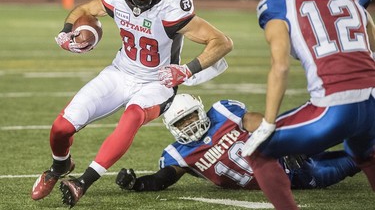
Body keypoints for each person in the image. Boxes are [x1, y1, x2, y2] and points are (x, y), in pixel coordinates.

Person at [31, 0, 233, 208]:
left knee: (133, 115)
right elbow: (85, 10)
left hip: (157, 81)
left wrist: (187, 69)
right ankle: (60, 166)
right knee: (61, 128)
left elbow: (222, 42)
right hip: (120, 72)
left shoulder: (172, 6)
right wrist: (67, 31)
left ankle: (83, 182)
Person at [237, 0, 375, 209]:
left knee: (257, 151)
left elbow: (281, 65)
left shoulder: (279, 1)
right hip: (372, 102)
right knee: (364, 153)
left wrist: (269, 122)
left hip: (333, 108)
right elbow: (371, 44)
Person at [115, 94, 360, 193]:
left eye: (190, 116)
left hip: (286, 150)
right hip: (298, 178)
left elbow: (260, 122)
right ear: (171, 128)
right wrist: (137, 184)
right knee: (358, 158)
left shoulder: (223, 113)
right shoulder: (178, 155)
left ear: (200, 111)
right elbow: (163, 178)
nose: (189, 124)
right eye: (182, 122)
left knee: (336, 124)